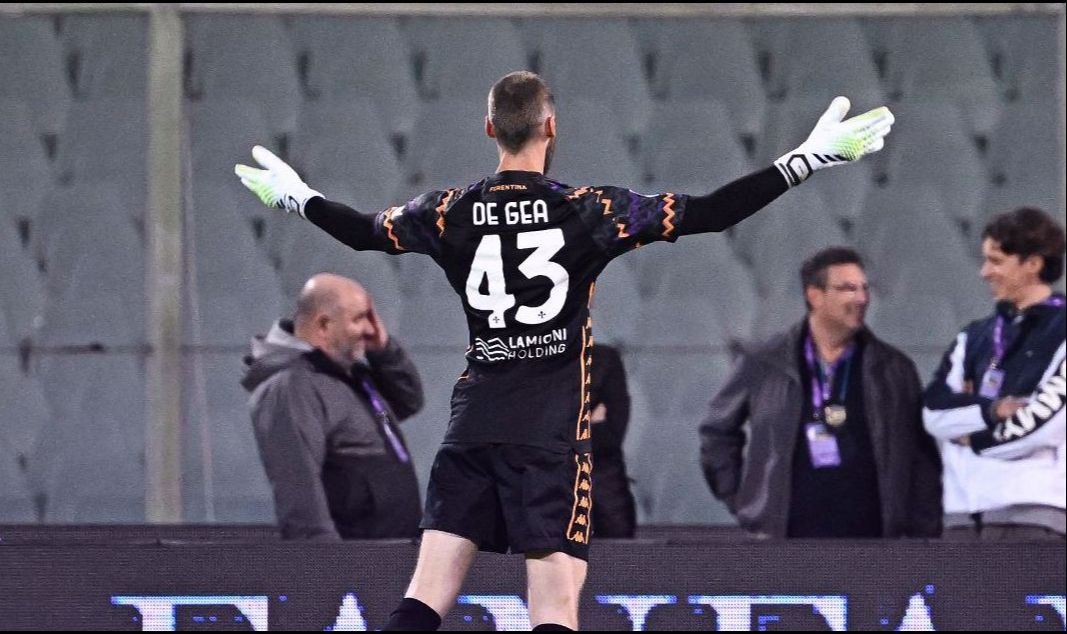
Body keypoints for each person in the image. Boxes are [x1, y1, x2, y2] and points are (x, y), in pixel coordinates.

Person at [234, 71, 893, 630]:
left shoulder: (449, 212)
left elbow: (361, 234)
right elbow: (709, 213)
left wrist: (297, 197)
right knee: (552, 601)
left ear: (489, 129)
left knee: (425, 593)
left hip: (473, 425)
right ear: (550, 127)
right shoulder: (587, 209)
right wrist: (805, 159)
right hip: (550, 433)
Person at [699, 247, 941, 539]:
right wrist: (746, 501)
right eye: (847, 289)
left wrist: (921, 532)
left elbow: (921, 458)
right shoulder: (763, 362)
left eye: (864, 288)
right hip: (785, 542)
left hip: (872, 542)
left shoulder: (894, 368)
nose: (861, 298)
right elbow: (717, 433)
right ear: (815, 295)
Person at [241, 273, 424, 541]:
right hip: (356, 571)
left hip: (390, 562)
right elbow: (299, 492)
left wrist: (383, 351)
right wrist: (331, 572)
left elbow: (408, 400)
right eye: (359, 319)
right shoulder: (292, 386)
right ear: (324, 325)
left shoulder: (349, 375)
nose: (370, 329)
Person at [924, 207, 1065, 541]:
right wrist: (992, 410)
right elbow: (933, 412)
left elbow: (1043, 426)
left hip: (1031, 508)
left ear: (1033, 264)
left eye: (997, 261)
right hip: (960, 512)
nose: (984, 272)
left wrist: (970, 436)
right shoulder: (974, 336)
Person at [587, 344, 636, 539]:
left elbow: (611, 434)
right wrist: (586, 421)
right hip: (536, 492)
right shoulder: (524, 357)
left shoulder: (603, 359)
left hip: (603, 492)